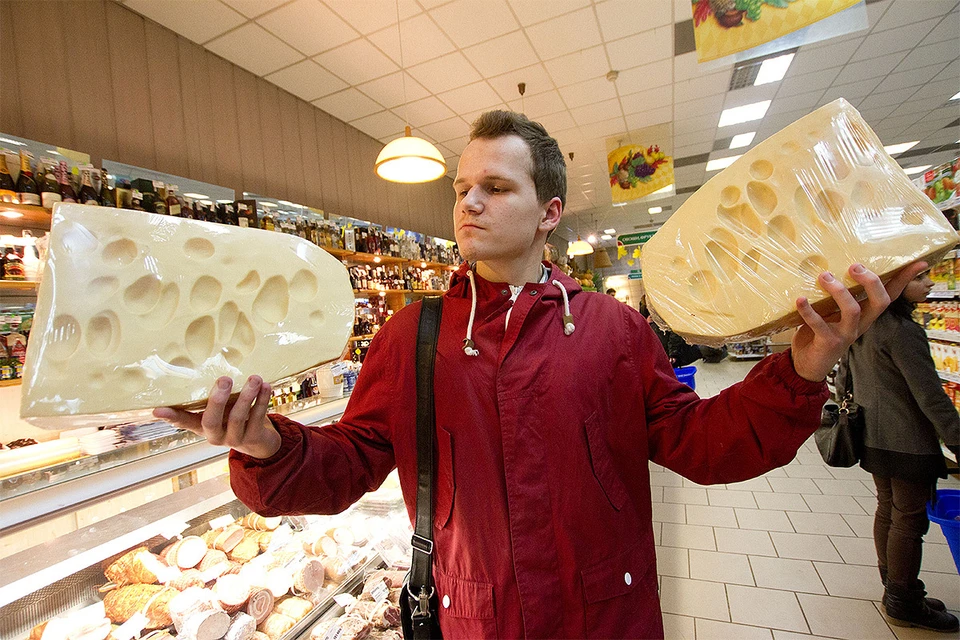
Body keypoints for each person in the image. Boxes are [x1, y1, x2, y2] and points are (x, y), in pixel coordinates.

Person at [155, 111, 925, 638]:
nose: (469, 204)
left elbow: (705, 445)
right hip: (474, 619)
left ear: (550, 210)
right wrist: (266, 447)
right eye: (461, 189)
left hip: (608, 620)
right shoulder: (411, 337)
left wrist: (801, 367)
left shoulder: (613, 332)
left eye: (495, 188)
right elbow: (347, 464)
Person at [841, 270, 959, 632]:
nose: (931, 284)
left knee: (888, 509)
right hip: (907, 440)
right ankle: (905, 599)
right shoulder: (903, 331)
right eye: (920, 277)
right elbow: (930, 397)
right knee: (909, 519)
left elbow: (845, 378)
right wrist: (957, 440)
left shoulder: (863, 324)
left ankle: (893, 585)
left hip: (874, 435)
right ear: (893, 284)